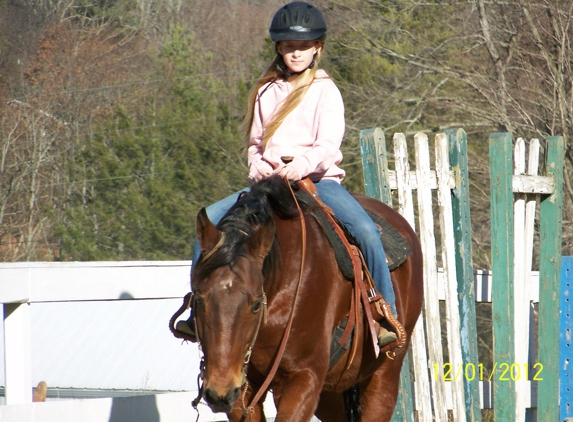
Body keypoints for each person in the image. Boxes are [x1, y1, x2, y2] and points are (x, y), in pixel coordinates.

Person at [177, 1, 397, 347]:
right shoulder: (266, 91)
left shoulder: (325, 90)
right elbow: (255, 142)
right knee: (207, 226)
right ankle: (195, 307)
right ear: (279, 48)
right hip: (270, 185)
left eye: (304, 46)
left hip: (318, 182)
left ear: (317, 49)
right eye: (290, 46)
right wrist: (257, 163)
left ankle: (385, 310)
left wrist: (301, 165)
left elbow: (328, 145)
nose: (296, 53)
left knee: (367, 231)